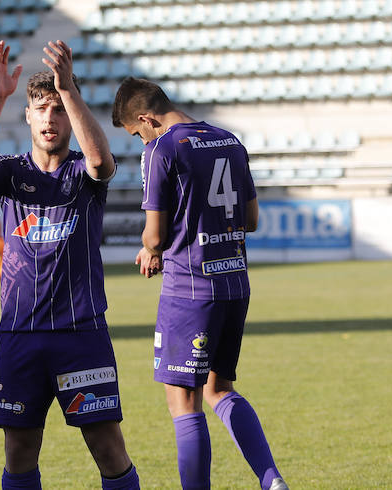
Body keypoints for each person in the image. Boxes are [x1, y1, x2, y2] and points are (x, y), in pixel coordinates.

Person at [0, 40, 139, 489]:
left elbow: (102, 162)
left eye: (58, 108)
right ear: (28, 116)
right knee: (19, 451)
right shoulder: (10, 172)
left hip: (81, 333)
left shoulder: (83, 173)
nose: (50, 117)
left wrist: (69, 89)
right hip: (21, 334)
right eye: (42, 108)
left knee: (107, 448)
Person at [111, 76, 288, 490]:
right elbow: (251, 221)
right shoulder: (229, 139)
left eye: (137, 134)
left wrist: (149, 248)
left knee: (183, 402)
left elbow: (154, 236)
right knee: (219, 388)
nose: (141, 142)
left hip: (189, 289)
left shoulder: (161, 148)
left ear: (145, 118)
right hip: (235, 284)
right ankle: (272, 480)